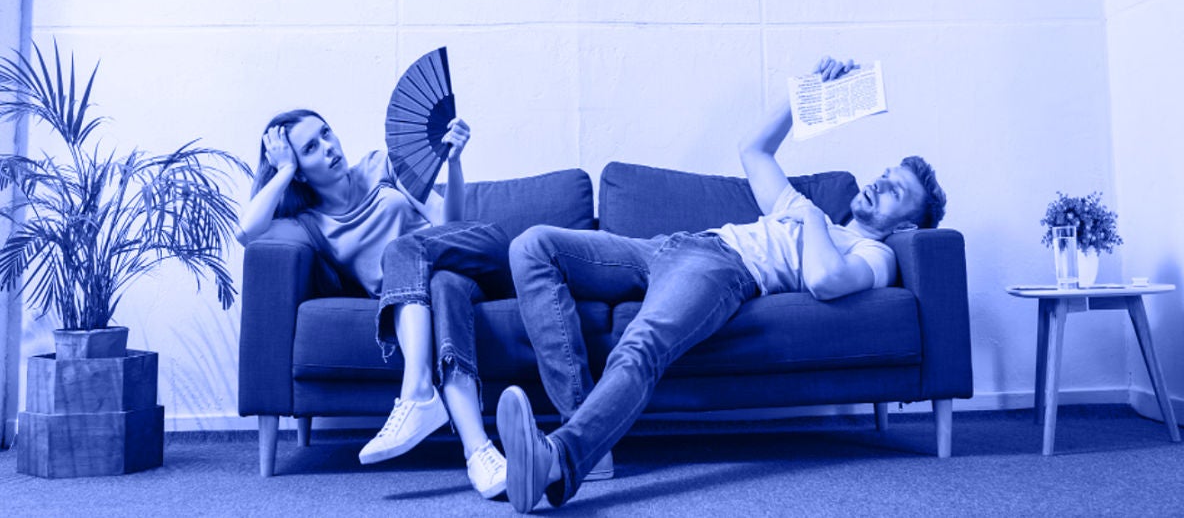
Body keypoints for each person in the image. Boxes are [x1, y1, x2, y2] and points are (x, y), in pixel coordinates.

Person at [497, 57, 949, 513]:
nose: (879, 183)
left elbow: (825, 280)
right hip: (669, 246)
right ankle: (581, 433)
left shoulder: (874, 253)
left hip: (720, 269)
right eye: (885, 175)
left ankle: (559, 458)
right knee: (533, 246)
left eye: (895, 191)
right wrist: (807, 91)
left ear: (906, 226)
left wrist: (812, 216)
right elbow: (754, 150)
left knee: (641, 344)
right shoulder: (804, 212)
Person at [237, 109, 510, 499]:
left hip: (475, 257)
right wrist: (283, 171)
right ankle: (480, 453)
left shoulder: (383, 164)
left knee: (403, 250)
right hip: (438, 292)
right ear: (300, 170)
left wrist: (453, 162)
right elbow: (248, 232)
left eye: (326, 133)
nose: (329, 147)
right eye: (311, 148)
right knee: (443, 288)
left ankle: (417, 393)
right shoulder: (310, 224)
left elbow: (449, 222)